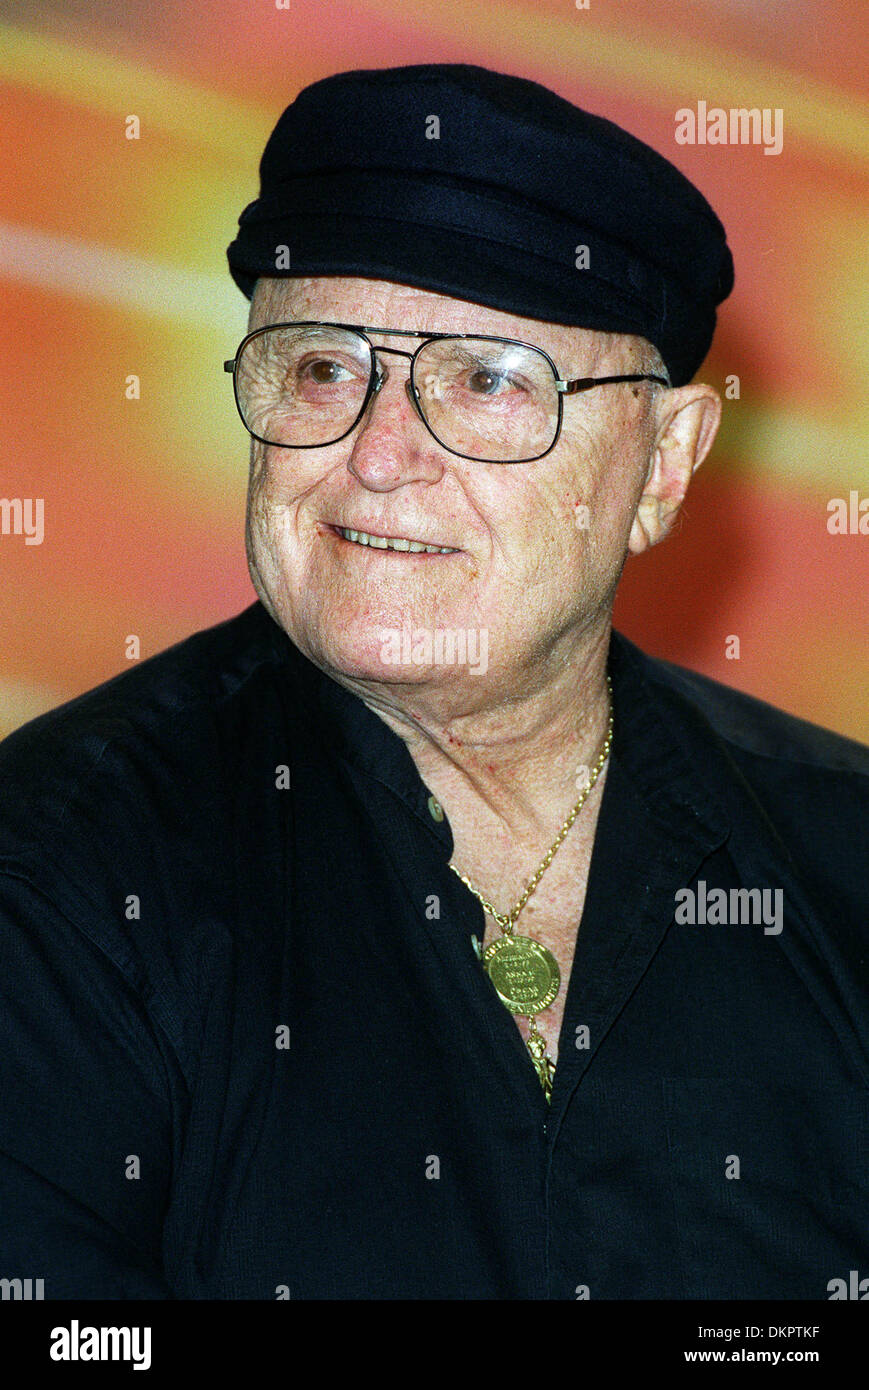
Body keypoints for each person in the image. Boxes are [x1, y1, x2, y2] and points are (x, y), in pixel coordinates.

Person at [0, 64, 866, 1301]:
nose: (378, 454)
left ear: (664, 464)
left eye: (488, 379)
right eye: (322, 367)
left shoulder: (836, 852)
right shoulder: (58, 873)